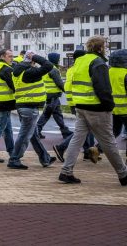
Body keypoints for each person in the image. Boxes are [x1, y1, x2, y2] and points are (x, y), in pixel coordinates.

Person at [59, 37, 127, 185]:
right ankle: (123, 174)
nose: (106, 49)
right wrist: (109, 106)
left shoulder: (80, 61)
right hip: (97, 108)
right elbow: (103, 88)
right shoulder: (99, 63)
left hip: (81, 107)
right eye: (105, 46)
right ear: (100, 48)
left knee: (77, 140)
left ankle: (66, 171)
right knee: (109, 142)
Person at [7, 50, 55, 169]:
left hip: (22, 105)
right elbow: (49, 65)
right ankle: (14, 159)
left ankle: (45, 158)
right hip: (29, 107)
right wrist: (35, 56)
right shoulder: (29, 72)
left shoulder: (17, 71)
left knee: (32, 135)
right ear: (33, 62)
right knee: (24, 135)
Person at [52, 50, 97, 162]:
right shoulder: (81, 69)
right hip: (81, 102)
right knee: (84, 130)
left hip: (75, 102)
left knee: (85, 129)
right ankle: (62, 147)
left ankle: (88, 152)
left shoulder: (72, 69)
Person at [37, 53, 72, 139]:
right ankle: (37, 131)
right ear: (55, 60)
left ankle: (65, 131)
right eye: (58, 59)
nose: (59, 60)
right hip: (52, 95)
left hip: (49, 94)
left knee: (57, 114)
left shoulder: (45, 68)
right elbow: (59, 83)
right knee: (46, 114)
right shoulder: (53, 69)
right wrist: (67, 91)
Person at [109, 49, 127, 161]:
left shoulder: (108, 72)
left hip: (113, 108)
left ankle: (97, 149)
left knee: (115, 131)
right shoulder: (125, 73)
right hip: (125, 108)